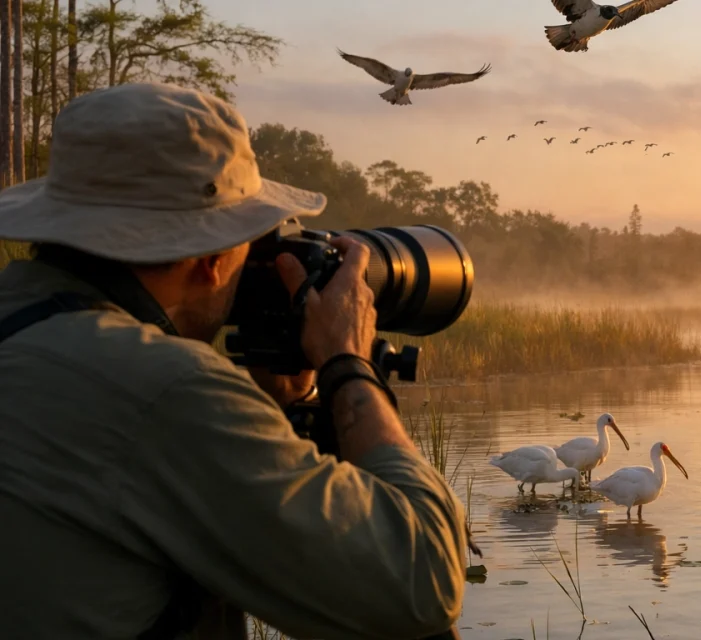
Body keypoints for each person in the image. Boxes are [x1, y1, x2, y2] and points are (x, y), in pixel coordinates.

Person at [0, 83, 468, 639]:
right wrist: (347, 364)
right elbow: (420, 582)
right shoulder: (168, 391)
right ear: (212, 260)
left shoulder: (26, 328)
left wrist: (278, 409)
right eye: (252, 241)